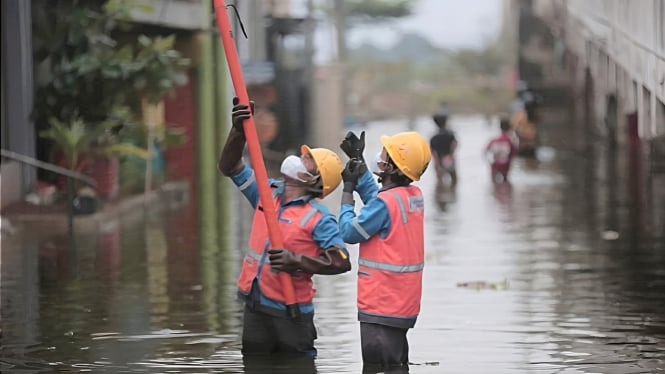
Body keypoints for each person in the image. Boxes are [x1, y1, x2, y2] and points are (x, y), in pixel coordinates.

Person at [217, 98, 352, 358]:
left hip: (291, 314)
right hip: (255, 306)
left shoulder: (318, 218)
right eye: (304, 154)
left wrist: (297, 261)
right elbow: (230, 167)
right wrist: (238, 132)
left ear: (313, 179)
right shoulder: (266, 194)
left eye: (308, 160)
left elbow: (341, 261)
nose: (300, 158)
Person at [337, 130, 431, 371]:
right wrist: (358, 163)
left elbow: (349, 232)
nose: (379, 157)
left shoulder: (387, 203)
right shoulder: (412, 196)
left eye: (384, 155)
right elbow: (379, 202)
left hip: (380, 304)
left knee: (378, 367)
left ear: (393, 166)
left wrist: (347, 193)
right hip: (401, 307)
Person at [429, 102, 458, 186]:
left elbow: (433, 151)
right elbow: (455, 144)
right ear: (446, 121)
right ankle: (453, 194)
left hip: (439, 160)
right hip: (449, 158)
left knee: (440, 181)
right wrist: (452, 154)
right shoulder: (450, 134)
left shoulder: (434, 137)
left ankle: (440, 196)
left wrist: (437, 163)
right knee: (454, 180)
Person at [485, 118, 517, 184]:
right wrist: (509, 161)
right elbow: (514, 152)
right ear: (509, 127)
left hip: (495, 165)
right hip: (505, 165)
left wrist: (490, 163)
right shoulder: (510, 140)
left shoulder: (494, 139)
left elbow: (485, 151)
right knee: (506, 184)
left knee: (494, 185)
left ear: (500, 127)